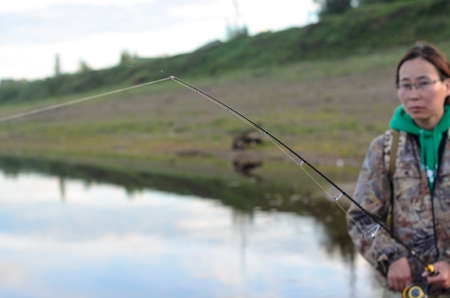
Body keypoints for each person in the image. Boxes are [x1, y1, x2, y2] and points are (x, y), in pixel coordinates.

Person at [347, 42, 450, 297]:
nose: (413, 95)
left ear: (447, 86)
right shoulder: (384, 148)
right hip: (409, 290)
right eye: (405, 85)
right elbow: (362, 218)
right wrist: (390, 257)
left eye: (424, 83)